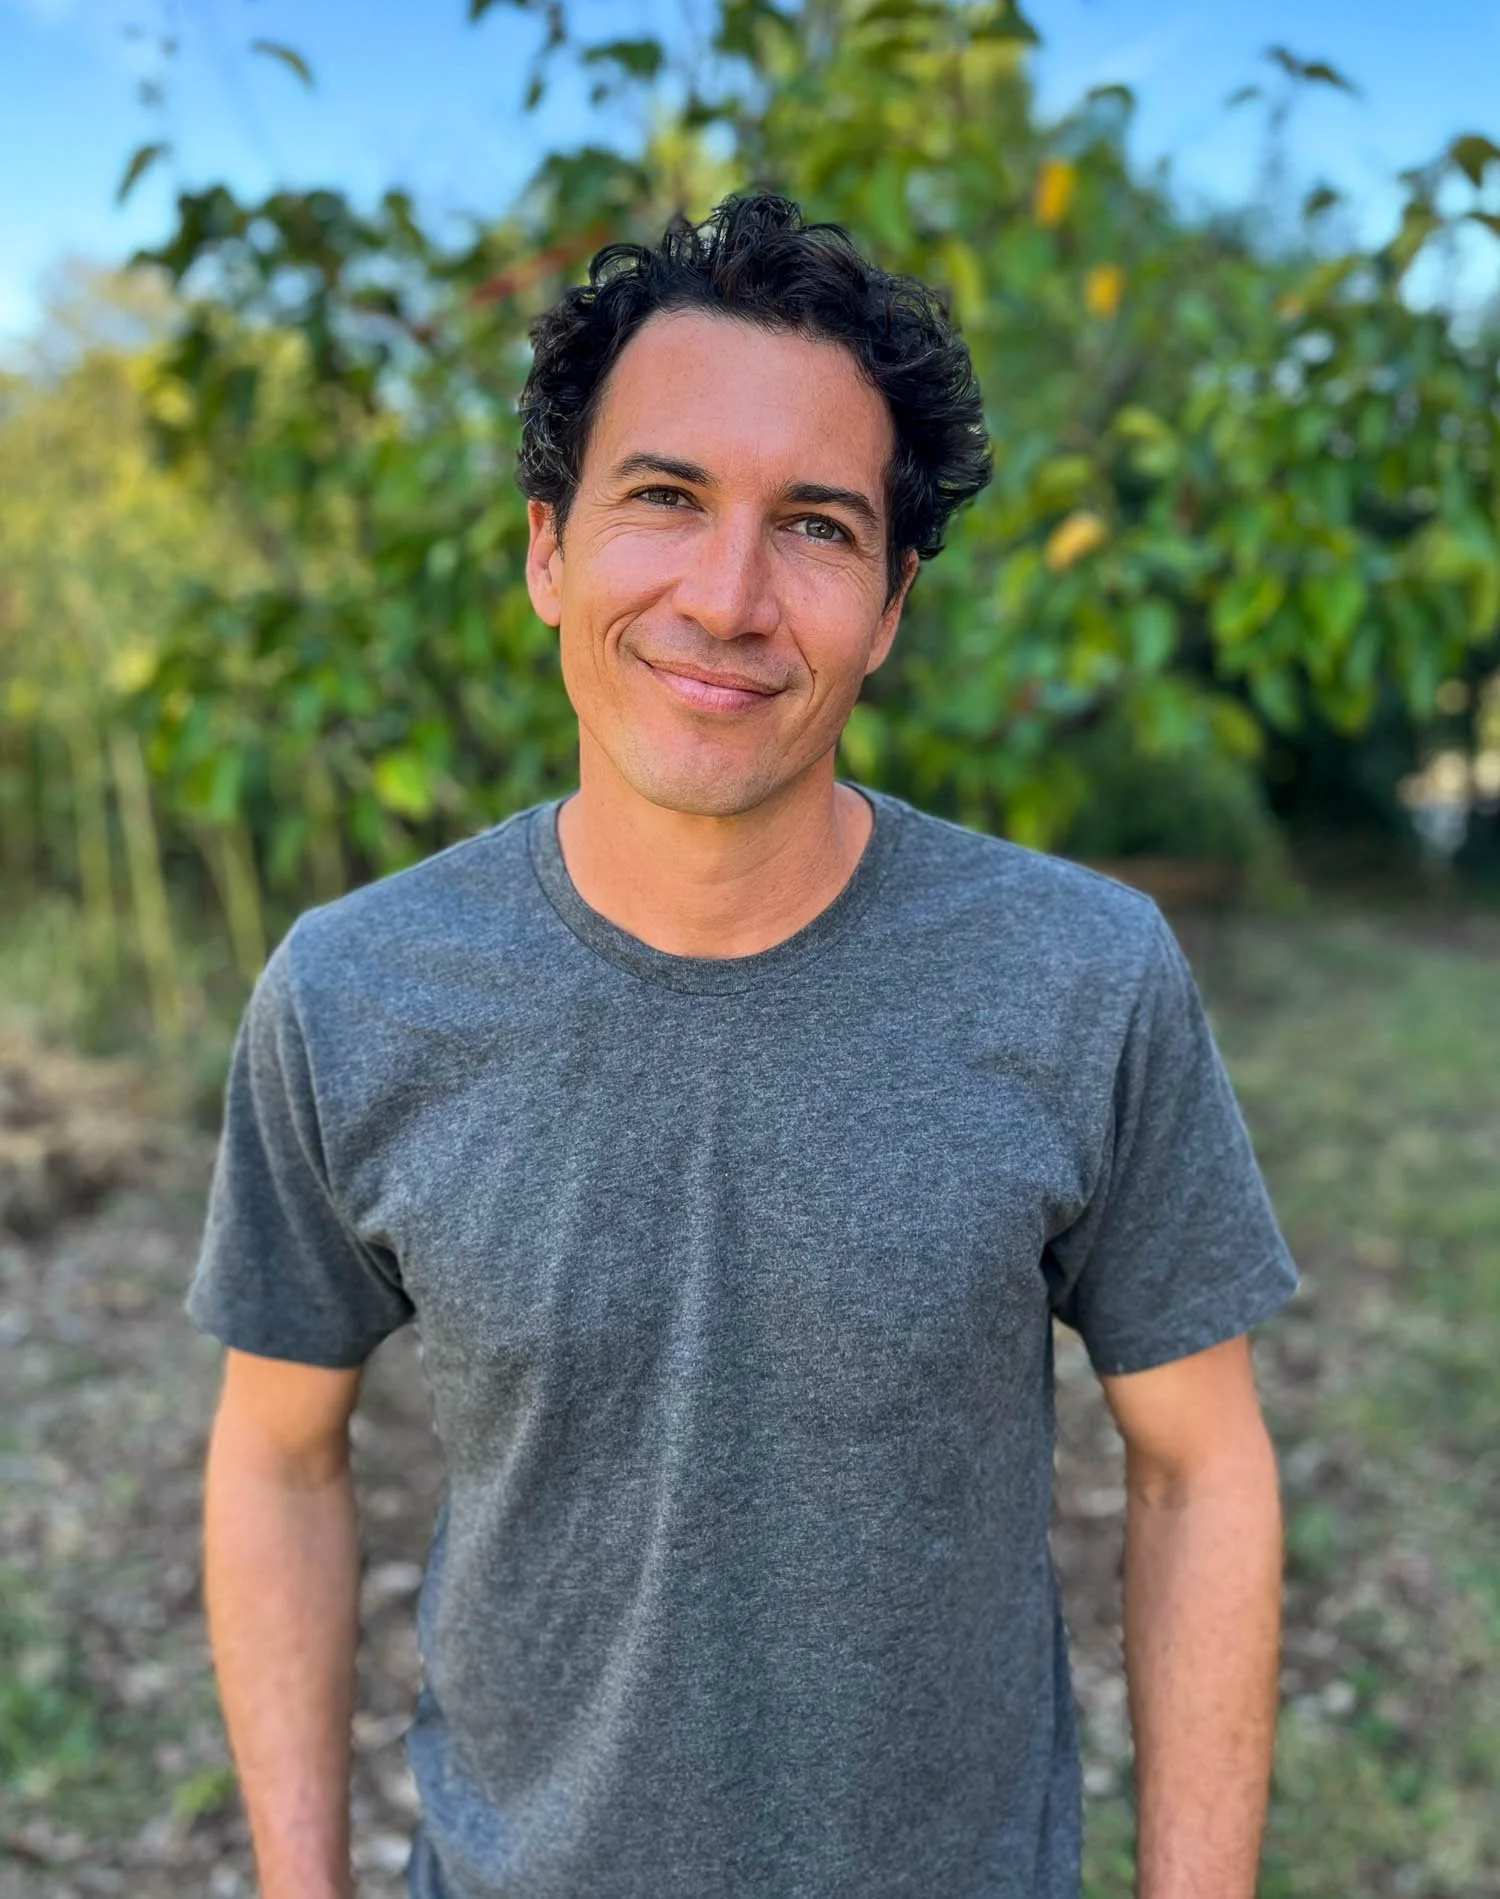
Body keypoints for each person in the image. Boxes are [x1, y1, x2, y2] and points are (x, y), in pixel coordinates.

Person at [188, 189, 1299, 1899]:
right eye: (664, 496)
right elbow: (274, 1452)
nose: (727, 594)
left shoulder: (1083, 976)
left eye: (818, 527)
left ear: (892, 600)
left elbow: (1203, 1468)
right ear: (548, 546)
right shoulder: (355, 994)